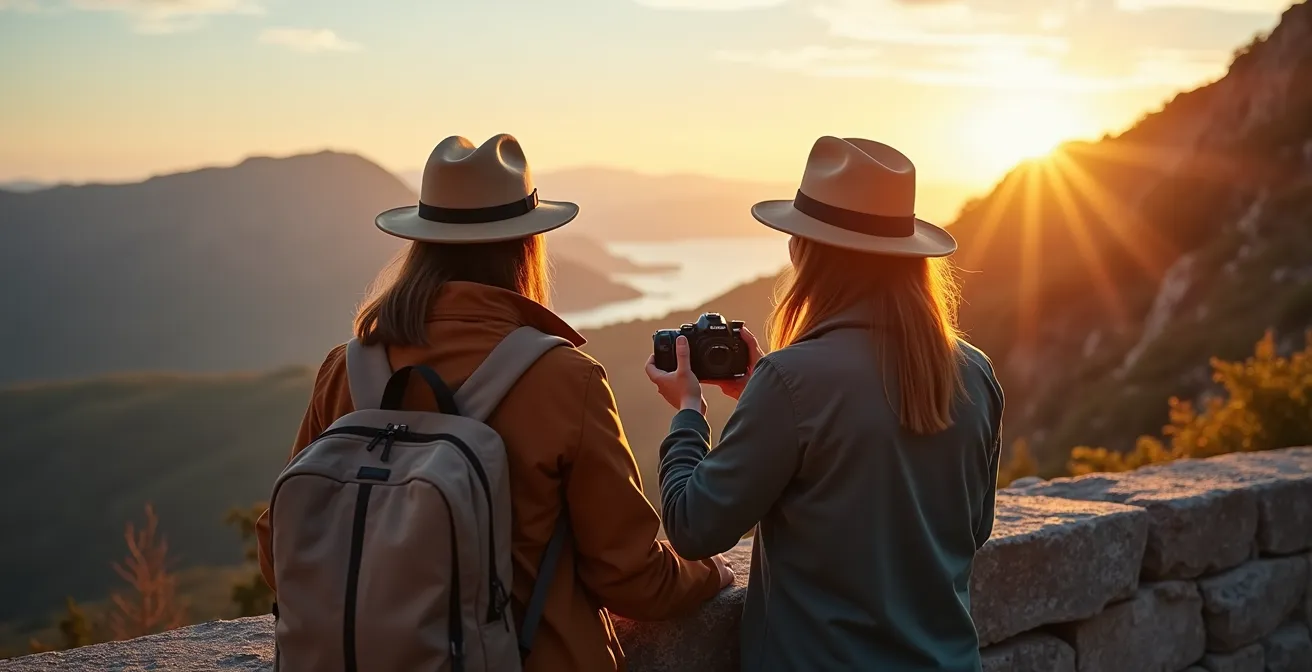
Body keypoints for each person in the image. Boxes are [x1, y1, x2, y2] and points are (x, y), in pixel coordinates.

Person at [256, 133, 733, 672]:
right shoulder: (563, 379)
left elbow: (282, 549)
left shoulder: (347, 369)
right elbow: (631, 577)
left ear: (421, 244)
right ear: (528, 245)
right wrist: (716, 573)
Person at [645, 136, 1004, 671]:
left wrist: (688, 415)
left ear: (806, 251)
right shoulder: (974, 372)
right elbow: (970, 530)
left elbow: (694, 527)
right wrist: (763, 405)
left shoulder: (793, 381)